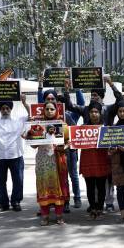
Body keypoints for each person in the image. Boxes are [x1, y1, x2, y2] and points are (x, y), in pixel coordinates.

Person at [64, 75, 124, 213]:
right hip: (89, 152)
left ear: (102, 97)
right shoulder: (85, 109)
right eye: (92, 95)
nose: (93, 97)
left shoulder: (108, 109)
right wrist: (67, 88)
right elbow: (69, 105)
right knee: (92, 182)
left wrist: (110, 84)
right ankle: (94, 205)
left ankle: (107, 204)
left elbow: (120, 100)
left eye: (96, 95)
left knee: (106, 181)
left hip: (105, 150)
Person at [38, 81, 84, 210]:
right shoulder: (44, 116)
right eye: (50, 100)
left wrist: (76, 88)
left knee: (72, 175)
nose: (54, 103)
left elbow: (81, 105)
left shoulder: (70, 115)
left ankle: (76, 199)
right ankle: (60, 202)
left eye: (56, 100)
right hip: (52, 153)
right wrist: (39, 87)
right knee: (59, 177)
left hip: (69, 151)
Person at [31, 102, 70, 226]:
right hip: (43, 161)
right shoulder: (38, 126)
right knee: (44, 187)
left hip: (57, 159)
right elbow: (33, 145)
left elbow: (69, 141)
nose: (49, 111)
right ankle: (45, 216)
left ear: (56, 110)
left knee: (59, 187)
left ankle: (59, 216)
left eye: (51, 109)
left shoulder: (62, 125)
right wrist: (29, 137)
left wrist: (64, 147)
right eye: (46, 109)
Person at [79, 101, 111, 220]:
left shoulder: (106, 128)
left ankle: (100, 209)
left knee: (102, 186)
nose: (94, 114)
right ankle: (92, 208)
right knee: (90, 187)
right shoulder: (82, 128)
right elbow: (75, 142)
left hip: (102, 159)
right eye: (91, 112)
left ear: (100, 113)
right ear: (88, 113)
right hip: (88, 160)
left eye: (96, 112)